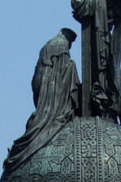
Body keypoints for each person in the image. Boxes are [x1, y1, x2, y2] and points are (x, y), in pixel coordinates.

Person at [5, 29, 79, 169]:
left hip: (39, 82)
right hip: (49, 88)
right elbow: (59, 71)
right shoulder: (61, 44)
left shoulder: (49, 44)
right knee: (72, 65)